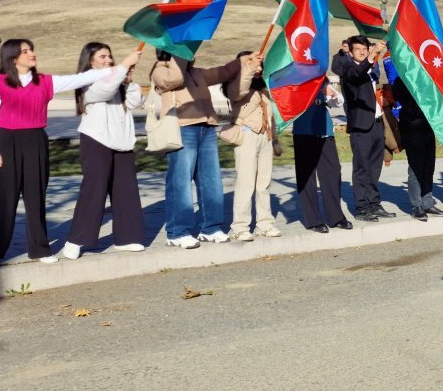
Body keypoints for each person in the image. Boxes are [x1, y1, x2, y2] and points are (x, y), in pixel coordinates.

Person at [0, 39, 139, 266]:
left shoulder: (45, 81)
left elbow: (82, 78)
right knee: (3, 200)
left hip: (35, 139)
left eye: (31, 49)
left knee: (36, 197)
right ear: (12, 57)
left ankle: (40, 248)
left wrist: (120, 68)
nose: (32, 54)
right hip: (5, 141)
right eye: (25, 51)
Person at [152, 49, 255, 248]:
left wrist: (243, 61)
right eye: (186, 48)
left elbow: (221, 72)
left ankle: (211, 228)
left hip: (206, 128)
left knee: (211, 180)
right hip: (182, 128)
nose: (191, 52)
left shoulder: (196, 72)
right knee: (180, 182)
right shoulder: (160, 69)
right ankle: (176, 232)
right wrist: (179, 56)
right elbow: (174, 78)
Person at [63, 41, 146, 259]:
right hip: (96, 140)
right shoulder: (88, 81)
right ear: (90, 61)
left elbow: (136, 102)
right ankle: (77, 240)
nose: (108, 60)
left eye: (109, 56)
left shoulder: (117, 79)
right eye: (102, 57)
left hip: (122, 141)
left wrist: (129, 81)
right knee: (94, 190)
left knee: (125, 191)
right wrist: (124, 65)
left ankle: (128, 238)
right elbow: (104, 91)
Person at [332, 36, 393, 223]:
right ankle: (361, 207)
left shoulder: (370, 68)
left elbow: (369, 74)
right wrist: (373, 54)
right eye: (357, 48)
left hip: (376, 122)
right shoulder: (348, 69)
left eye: (365, 48)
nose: (362, 51)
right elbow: (357, 74)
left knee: (375, 167)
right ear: (350, 52)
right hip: (360, 126)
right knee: (362, 167)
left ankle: (374, 203)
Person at [224, 51, 281, 241]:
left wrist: (275, 140)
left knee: (263, 183)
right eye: (252, 63)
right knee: (246, 182)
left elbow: (270, 115)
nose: (257, 68)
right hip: (247, 135)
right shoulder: (235, 84)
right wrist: (248, 68)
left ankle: (264, 224)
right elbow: (237, 92)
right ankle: (239, 227)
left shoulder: (263, 88)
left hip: (265, 137)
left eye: (259, 65)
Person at [293, 79, 352, 233]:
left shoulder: (321, 79)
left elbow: (338, 102)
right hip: (304, 131)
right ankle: (313, 220)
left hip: (325, 131)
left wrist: (331, 94)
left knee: (332, 173)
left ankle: (335, 216)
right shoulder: (294, 79)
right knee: (307, 176)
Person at [391, 72, 443, 220]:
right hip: (411, 129)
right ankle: (417, 206)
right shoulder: (400, 80)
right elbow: (402, 100)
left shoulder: (425, 77)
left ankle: (427, 201)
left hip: (427, 128)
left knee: (429, 168)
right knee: (416, 169)